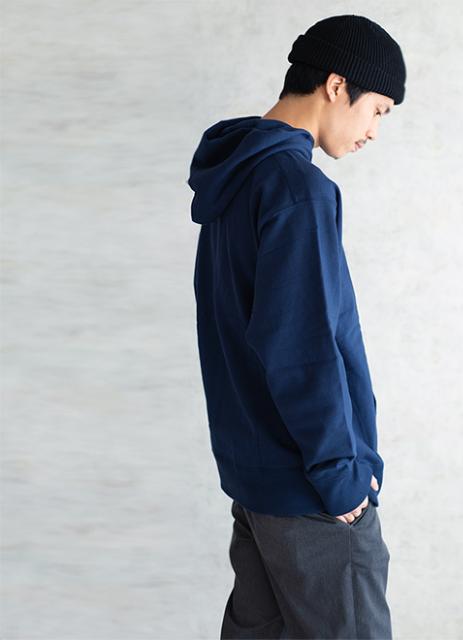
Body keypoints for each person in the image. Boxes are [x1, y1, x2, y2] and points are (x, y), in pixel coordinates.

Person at [187, 13, 406, 639]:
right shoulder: (296, 189)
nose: (374, 130)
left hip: (256, 481)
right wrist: (341, 479)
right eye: (378, 109)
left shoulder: (236, 180)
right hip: (313, 490)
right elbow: (300, 347)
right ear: (337, 86)